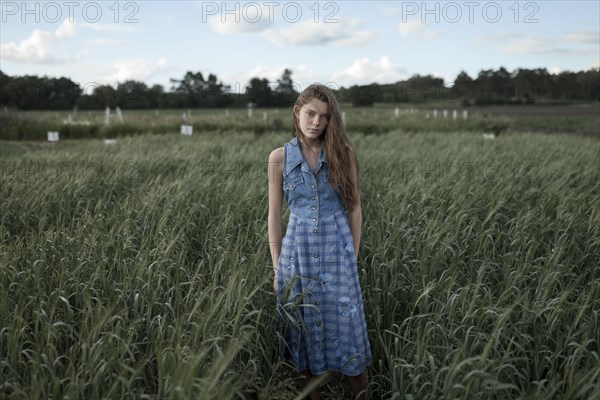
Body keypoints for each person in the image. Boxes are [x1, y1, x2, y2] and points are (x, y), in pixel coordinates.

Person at [268, 83, 371, 400]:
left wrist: (351, 258)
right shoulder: (279, 158)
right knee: (303, 322)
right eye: (311, 113)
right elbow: (273, 217)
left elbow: (354, 210)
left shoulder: (342, 153)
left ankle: (361, 393)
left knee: (345, 320)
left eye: (324, 117)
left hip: (336, 248)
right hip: (296, 251)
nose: (316, 121)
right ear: (297, 112)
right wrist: (277, 270)